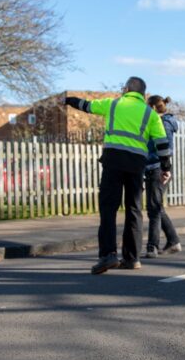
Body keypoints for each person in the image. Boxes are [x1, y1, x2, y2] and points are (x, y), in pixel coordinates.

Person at [65, 77, 172, 274]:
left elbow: (86, 106)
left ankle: (108, 255)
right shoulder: (150, 114)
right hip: (136, 165)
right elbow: (162, 144)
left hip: (113, 161)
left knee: (108, 208)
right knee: (134, 210)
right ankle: (132, 259)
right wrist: (166, 168)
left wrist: (69, 100)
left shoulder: (113, 104)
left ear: (127, 89)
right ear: (142, 93)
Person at [143, 95, 181, 258]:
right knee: (156, 207)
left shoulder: (164, 123)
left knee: (154, 208)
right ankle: (173, 241)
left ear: (152, 107)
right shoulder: (158, 121)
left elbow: (166, 149)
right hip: (153, 167)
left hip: (158, 169)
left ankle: (152, 246)